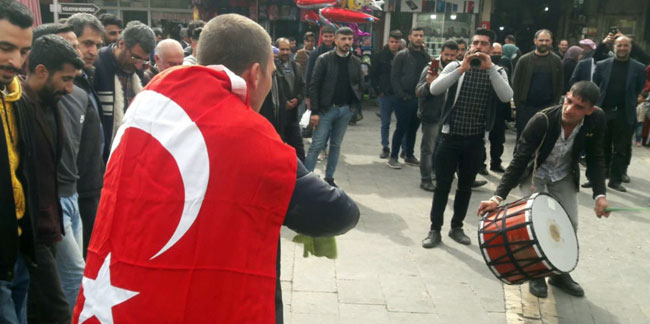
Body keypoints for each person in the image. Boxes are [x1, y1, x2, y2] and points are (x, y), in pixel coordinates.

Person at [72, 14, 359, 323]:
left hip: (127, 295)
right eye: (272, 74)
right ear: (256, 73)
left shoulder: (146, 107)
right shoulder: (245, 133)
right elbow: (338, 211)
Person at [477, 81, 610, 299]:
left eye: (578, 107)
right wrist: (497, 197)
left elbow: (596, 157)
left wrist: (600, 195)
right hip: (534, 172)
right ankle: (536, 274)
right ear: (565, 96)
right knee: (534, 223)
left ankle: (559, 273)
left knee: (571, 223)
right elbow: (519, 161)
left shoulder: (597, 119)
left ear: (590, 110)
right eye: (569, 102)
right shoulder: (543, 120)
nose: (570, 109)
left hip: (563, 174)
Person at [422, 28, 512, 248]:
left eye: (483, 44)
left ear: (490, 48)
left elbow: (506, 96)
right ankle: (435, 229)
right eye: (475, 43)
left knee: (464, 187)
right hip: (449, 138)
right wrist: (461, 68)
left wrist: (489, 68)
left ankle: (457, 227)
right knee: (442, 186)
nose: (478, 47)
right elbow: (434, 88)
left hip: (475, 140)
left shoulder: (497, 70)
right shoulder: (455, 66)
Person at [23, 33, 84, 323]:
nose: (71, 89)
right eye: (66, 79)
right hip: (29, 233)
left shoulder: (52, 104)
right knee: (58, 310)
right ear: (41, 71)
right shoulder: (17, 109)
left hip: (51, 226)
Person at [0, 2, 37, 323]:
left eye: (24, 51)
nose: (15, 60)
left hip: (19, 247)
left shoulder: (16, 96)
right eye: (5, 48)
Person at [65, 13, 105, 258]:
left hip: (91, 184)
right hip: (76, 190)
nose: (93, 51)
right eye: (87, 43)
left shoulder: (86, 79)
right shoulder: (67, 87)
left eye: (97, 46)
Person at [305, 27, 362, 187]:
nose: (347, 42)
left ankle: (329, 178)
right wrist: (315, 111)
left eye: (350, 39)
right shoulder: (324, 59)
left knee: (336, 145)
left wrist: (353, 106)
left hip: (345, 110)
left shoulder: (355, 61)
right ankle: (307, 179)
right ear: (335, 40)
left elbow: (359, 84)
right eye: (343, 39)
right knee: (317, 145)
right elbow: (314, 86)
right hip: (325, 110)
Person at [94, 21, 155, 161]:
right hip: (103, 156)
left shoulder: (137, 71)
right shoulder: (98, 64)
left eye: (145, 61)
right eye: (136, 57)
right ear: (122, 44)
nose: (140, 65)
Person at [591, 36, 646, 192]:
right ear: (614, 47)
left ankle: (615, 180)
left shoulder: (638, 67)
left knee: (620, 148)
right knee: (602, 146)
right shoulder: (602, 65)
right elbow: (596, 85)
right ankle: (601, 177)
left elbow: (639, 88)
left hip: (624, 112)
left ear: (630, 48)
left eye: (625, 45)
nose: (622, 48)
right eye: (619, 45)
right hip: (604, 111)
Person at [416, 40, 458, 191]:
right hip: (432, 116)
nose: (449, 58)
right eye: (446, 54)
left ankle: (440, 174)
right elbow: (418, 92)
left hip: (450, 116)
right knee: (428, 149)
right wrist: (428, 84)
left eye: (453, 55)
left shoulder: (458, 69)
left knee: (446, 148)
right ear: (441, 53)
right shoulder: (430, 68)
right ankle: (425, 179)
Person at [386, 27, 430, 169]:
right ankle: (393, 156)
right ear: (410, 37)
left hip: (419, 99)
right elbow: (394, 77)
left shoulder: (425, 57)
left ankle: (409, 154)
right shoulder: (401, 55)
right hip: (404, 98)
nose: (418, 38)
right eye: (416, 35)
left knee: (413, 128)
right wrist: (401, 95)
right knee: (401, 127)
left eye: (421, 35)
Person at [260, 37, 306, 162]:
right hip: (277, 116)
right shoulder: (271, 68)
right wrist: (284, 102)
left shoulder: (295, 66)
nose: (285, 52)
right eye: (282, 49)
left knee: (298, 149)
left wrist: (298, 99)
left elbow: (302, 86)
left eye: (287, 49)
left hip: (292, 116)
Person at [512, 29, 563, 140]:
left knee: (544, 139)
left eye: (547, 40)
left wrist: (555, 104)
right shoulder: (524, 60)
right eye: (541, 40)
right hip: (526, 108)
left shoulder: (556, 61)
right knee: (523, 139)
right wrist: (519, 106)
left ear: (551, 41)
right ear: (535, 41)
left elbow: (560, 84)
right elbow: (515, 84)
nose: (544, 43)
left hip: (548, 108)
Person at [370, 30, 402, 159]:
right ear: (388, 41)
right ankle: (385, 147)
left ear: (400, 43)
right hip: (385, 94)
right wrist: (378, 90)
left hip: (400, 94)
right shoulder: (380, 56)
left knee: (402, 123)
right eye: (392, 42)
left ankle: (404, 149)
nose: (394, 44)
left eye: (396, 42)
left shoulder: (404, 55)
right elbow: (373, 75)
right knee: (385, 123)